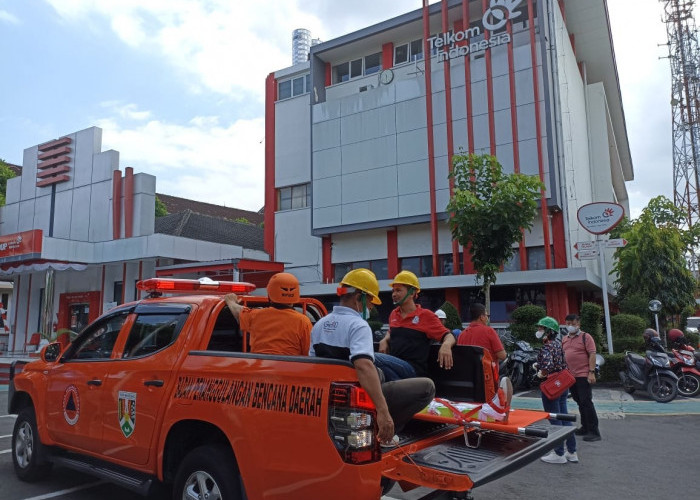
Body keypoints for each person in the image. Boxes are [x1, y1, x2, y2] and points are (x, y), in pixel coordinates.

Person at [309, 268, 435, 446]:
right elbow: (363, 366)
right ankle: (384, 432)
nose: (372, 306)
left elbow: (313, 364)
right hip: (358, 398)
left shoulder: (320, 324)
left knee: (381, 371)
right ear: (358, 296)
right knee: (427, 387)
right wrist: (384, 413)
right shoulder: (358, 325)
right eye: (370, 300)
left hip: (333, 396)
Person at [376, 270, 455, 381]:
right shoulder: (394, 314)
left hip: (413, 370)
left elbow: (448, 335)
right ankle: (399, 388)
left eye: (398, 290)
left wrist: (446, 346)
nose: (394, 294)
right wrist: (384, 340)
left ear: (412, 293)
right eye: (393, 290)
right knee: (377, 370)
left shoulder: (426, 315)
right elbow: (392, 331)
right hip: (395, 366)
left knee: (371, 357)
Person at [224, 272, 311, 356]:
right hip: (291, 369)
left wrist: (230, 301)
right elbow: (309, 353)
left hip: (260, 368)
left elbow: (238, 312)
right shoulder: (303, 321)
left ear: (270, 293)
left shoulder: (256, 316)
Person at [535, 316, 577, 464]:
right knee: (564, 417)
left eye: (541, 328)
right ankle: (571, 452)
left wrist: (541, 372)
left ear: (548, 331)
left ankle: (558, 453)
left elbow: (547, 366)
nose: (539, 331)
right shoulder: (558, 344)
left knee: (555, 419)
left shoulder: (547, 347)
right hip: (562, 383)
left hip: (551, 385)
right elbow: (559, 362)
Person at [562, 313, 601, 443]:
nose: (571, 326)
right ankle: (585, 427)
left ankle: (594, 432)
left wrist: (591, 372)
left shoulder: (586, 337)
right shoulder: (564, 339)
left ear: (578, 324)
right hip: (570, 376)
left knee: (586, 402)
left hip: (583, 375)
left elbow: (592, 354)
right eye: (568, 324)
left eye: (573, 324)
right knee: (579, 401)